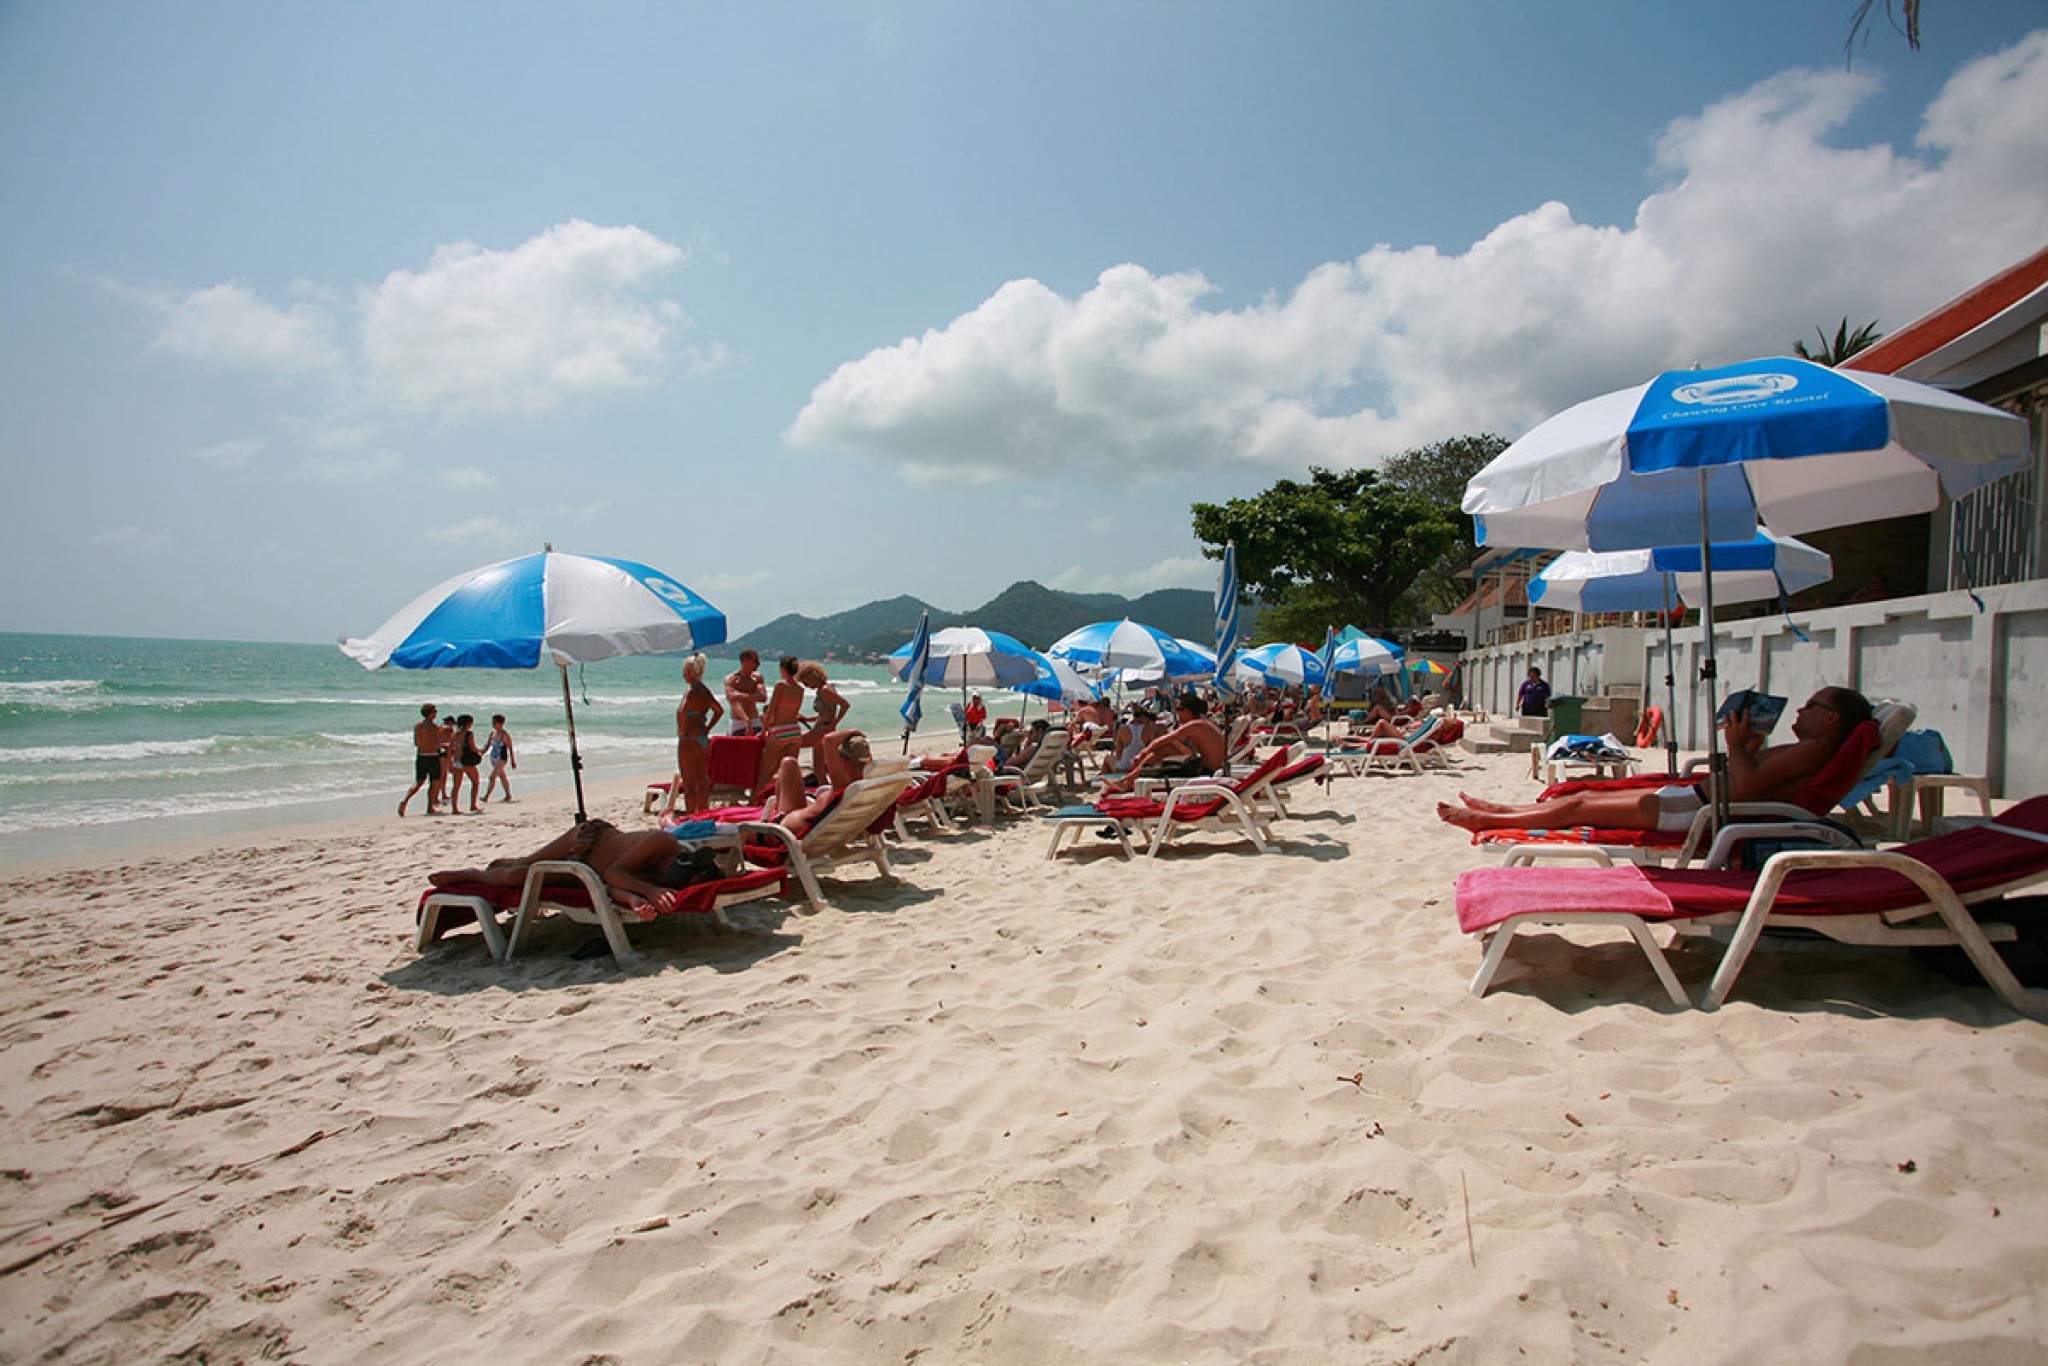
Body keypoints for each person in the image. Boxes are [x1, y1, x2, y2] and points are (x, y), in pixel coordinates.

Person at [1437, 686, 1874, 834]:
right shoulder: (1809, 749)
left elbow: (1753, 786)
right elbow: (1756, 777)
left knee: (1578, 807)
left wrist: (1739, 746)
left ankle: (1490, 821)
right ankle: (1504, 811)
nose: (1801, 711)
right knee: (1583, 797)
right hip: (1698, 800)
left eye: (1811, 707)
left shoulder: (1814, 750)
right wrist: (1748, 745)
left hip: (1702, 812)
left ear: (1831, 718)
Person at [429, 819, 727, 913]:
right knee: (521, 869)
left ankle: (499, 868)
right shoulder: (661, 842)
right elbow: (614, 873)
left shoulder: (666, 878)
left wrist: (635, 899)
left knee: (516, 877)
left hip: (586, 874)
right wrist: (649, 891)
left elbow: (613, 886)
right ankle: (473, 874)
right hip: (587, 841)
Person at [1099, 694, 1229, 794]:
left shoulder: (1195, 725)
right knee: (1166, 749)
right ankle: (1129, 779)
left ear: (1188, 710)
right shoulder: (1205, 722)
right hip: (1213, 767)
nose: (1177, 712)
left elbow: (1162, 741)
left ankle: (1127, 780)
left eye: (1179, 709)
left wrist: (1142, 753)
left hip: (1210, 771)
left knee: (1164, 749)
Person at [673, 654, 725, 816]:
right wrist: (707, 727)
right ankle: (703, 814)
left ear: (690, 672)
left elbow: (682, 712)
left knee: (689, 783)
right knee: (702, 781)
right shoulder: (704, 691)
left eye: (684, 671)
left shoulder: (690, 693)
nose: (683, 675)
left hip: (688, 739)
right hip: (702, 739)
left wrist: (682, 729)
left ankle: (691, 816)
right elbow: (719, 710)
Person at [754, 655, 808, 800]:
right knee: (787, 771)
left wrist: (764, 730)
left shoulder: (781, 685)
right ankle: (785, 801)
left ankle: (753, 801)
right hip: (795, 731)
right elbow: (794, 712)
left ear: (783, 669)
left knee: (763, 771)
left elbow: (771, 710)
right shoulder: (800, 689)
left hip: (780, 730)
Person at [797, 660, 847, 782]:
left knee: (791, 743)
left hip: (823, 729)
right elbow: (827, 712)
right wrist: (808, 719)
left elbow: (845, 704)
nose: (806, 685)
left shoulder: (825, 690)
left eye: (806, 682)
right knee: (819, 768)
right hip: (822, 727)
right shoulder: (824, 689)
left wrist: (834, 724)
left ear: (812, 676)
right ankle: (824, 786)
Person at [400, 703, 445, 817]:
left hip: (421, 756)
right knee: (434, 783)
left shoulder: (418, 726)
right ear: (431, 713)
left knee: (418, 782)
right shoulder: (435, 728)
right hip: (432, 756)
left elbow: (416, 743)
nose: (436, 714)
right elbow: (436, 744)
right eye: (435, 712)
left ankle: (405, 801)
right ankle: (430, 807)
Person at [723, 649, 767, 735]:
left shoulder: (757, 677)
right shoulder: (731, 679)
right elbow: (733, 700)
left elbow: (762, 697)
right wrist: (746, 720)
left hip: (755, 720)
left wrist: (740, 695)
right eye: (755, 661)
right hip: (737, 721)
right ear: (745, 661)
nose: (759, 664)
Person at [449, 714, 484, 813]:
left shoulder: (455, 734)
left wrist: (449, 763)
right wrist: (480, 751)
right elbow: (472, 747)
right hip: (466, 761)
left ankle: (454, 808)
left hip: (456, 761)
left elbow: (450, 749)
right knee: (475, 782)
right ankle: (473, 805)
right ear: (468, 724)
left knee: (456, 786)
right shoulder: (469, 734)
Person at [482, 715, 516, 803]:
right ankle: (508, 795)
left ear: (501, 723)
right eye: (492, 722)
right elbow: (487, 746)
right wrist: (480, 753)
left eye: (495, 722)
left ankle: (486, 796)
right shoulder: (492, 733)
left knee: (492, 776)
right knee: (502, 777)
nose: (493, 724)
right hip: (493, 757)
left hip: (502, 758)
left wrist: (513, 761)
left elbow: (510, 748)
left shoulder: (505, 734)